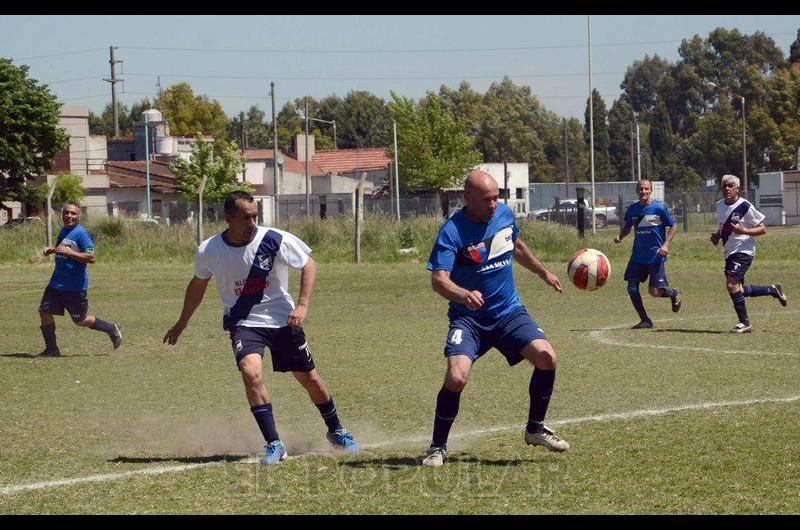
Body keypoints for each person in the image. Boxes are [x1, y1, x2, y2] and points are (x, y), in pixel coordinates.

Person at [163, 191, 359, 465]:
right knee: (250, 372)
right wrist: (182, 322)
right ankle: (273, 443)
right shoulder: (209, 250)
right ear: (228, 218)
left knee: (309, 380)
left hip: (282, 321)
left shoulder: (274, 239)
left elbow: (308, 264)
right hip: (244, 323)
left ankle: (337, 430)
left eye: (255, 216)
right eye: (246, 217)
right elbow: (197, 286)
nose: (253, 222)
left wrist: (302, 305)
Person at [422, 170, 568, 468]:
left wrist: (543, 272)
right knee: (456, 377)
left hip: (508, 313)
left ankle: (535, 429)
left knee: (546, 357)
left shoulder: (502, 214)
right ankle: (437, 447)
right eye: (487, 199)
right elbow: (439, 280)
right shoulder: (452, 231)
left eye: (496, 198)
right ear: (468, 198)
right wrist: (463, 295)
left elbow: (516, 246)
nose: (493, 204)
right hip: (469, 320)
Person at [37, 201, 122, 357]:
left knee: (80, 320)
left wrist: (69, 253)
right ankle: (52, 349)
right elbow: (63, 249)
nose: (69, 216)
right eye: (66, 212)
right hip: (56, 284)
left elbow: (91, 257)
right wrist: (52, 250)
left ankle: (111, 329)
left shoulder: (81, 234)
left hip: (74, 287)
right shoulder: (64, 231)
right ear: (62, 214)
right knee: (44, 311)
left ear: (79, 216)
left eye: (73, 213)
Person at [711, 175, 787, 333]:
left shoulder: (745, 206)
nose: (727, 188)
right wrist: (717, 236)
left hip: (744, 250)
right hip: (729, 252)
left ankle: (744, 323)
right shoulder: (719, 205)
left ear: (737, 189)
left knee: (731, 284)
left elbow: (762, 228)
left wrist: (743, 231)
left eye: (730, 186)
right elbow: (723, 226)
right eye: (724, 185)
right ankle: (772, 290)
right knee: (738, 288)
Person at [613, 178, 682, 329]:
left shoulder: (659, 208)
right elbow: (627, 227)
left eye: (646, 189)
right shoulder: (632, 209)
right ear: (637, 191)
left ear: (651, 190)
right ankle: (645, 320)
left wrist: (666, 245)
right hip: (637, 256)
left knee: (654, 292)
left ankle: (673, 293)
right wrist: (620, 236)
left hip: (656, 256)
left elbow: (673, 226)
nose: (643, 191)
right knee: (632, 287)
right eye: (641, 189)